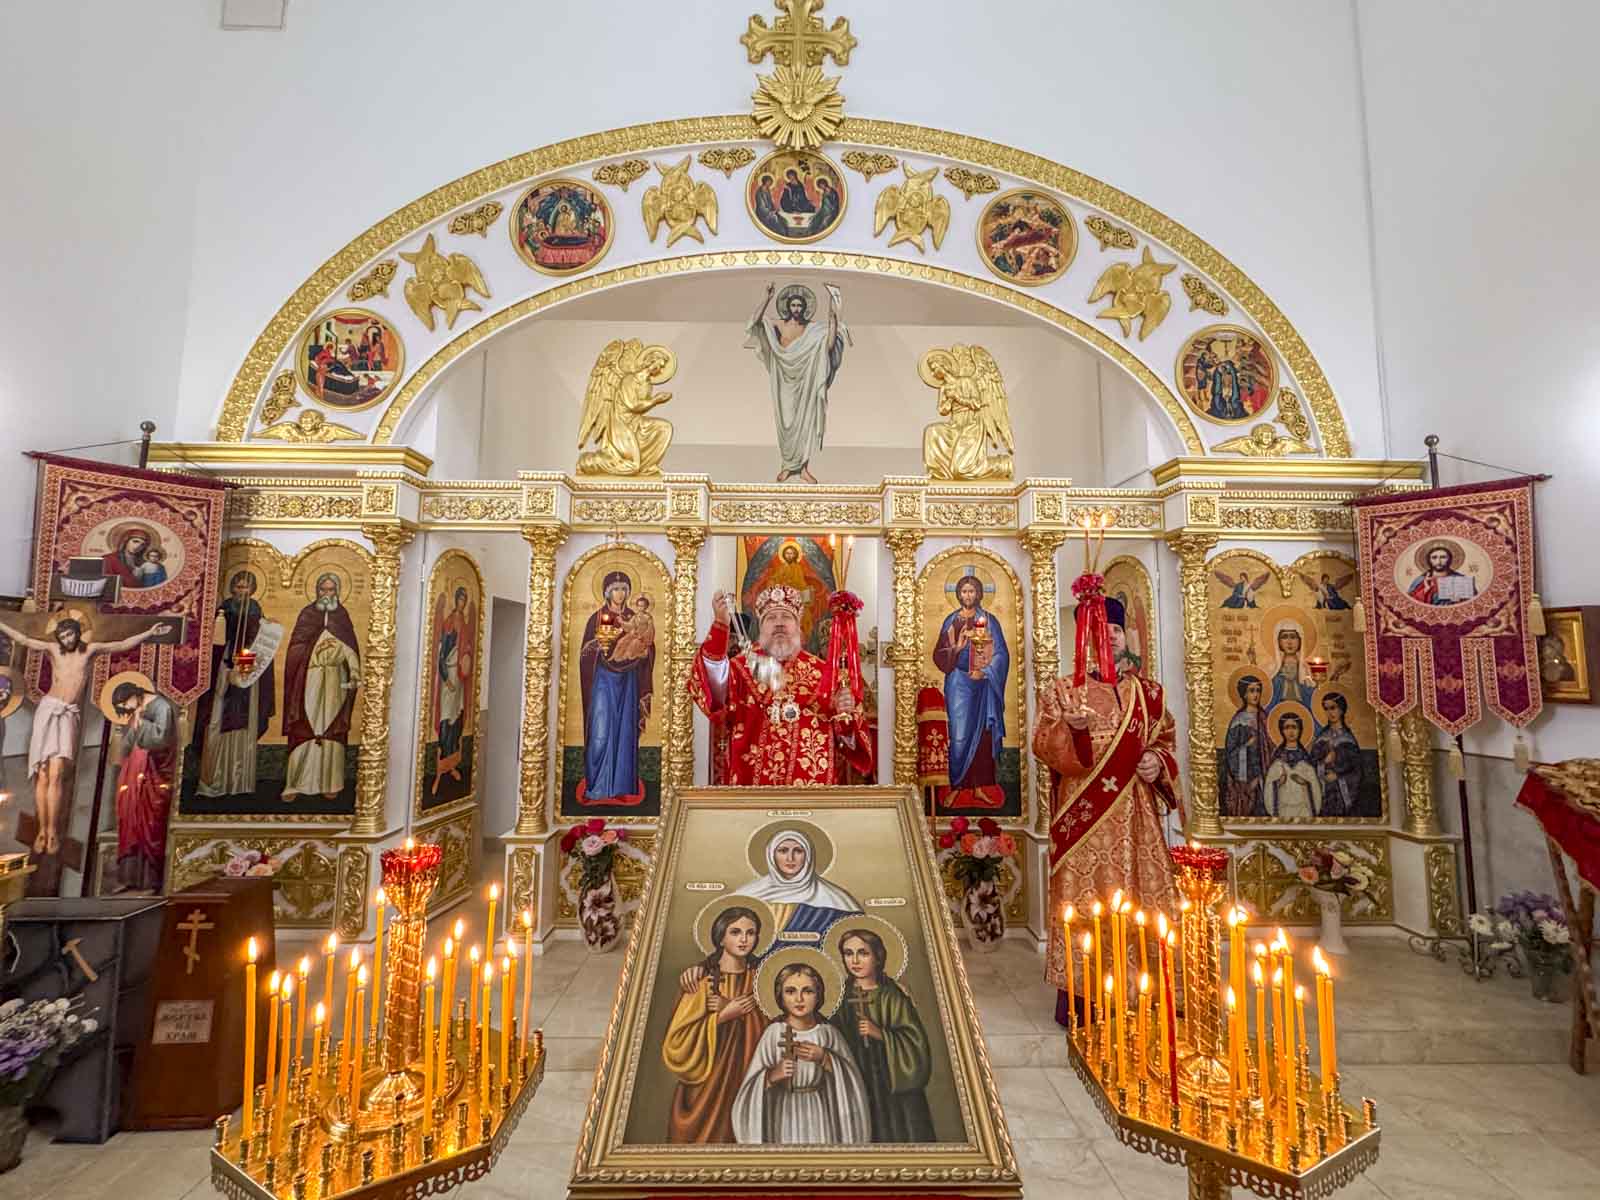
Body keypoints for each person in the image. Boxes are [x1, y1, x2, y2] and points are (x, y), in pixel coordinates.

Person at [1032, 587, 1180, 1028]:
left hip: (1137, 816)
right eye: (1100, 630)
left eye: (1116, 628)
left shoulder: (1148, 694)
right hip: (1085, 819)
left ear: (1125, 635)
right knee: (1084, 904)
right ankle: (1083, 998)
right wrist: (1070, 730)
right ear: (1086, 639)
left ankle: (1145, 991)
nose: (1110, 636)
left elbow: (1165, 740)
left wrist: (1158, 761)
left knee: (1142, 899)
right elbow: (1044, 746)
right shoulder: (1063, 691)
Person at [0, 612, 172, 853]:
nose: (67, 639)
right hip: (48, 710)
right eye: (62, 636)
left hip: (68, 713)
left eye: (70, 634)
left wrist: (149, 633)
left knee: (57, 773)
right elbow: (24, 639)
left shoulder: (89, 651)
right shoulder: (53, 649)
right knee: (43, 773)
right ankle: (42, 831)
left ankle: (52, 831)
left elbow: (121, 644)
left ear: (77, 633)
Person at [689, 584, 871, 786]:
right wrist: (721, 625)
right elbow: (713, 690)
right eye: (771, 618)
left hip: (813, 794)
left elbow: (850, 744)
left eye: (786, 617)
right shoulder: (740, 669)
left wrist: (846, 717)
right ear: (761, 627)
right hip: (752, 790)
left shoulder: (824, 674)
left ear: (798, 626)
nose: (779, 623)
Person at [731, 960, 870, 1145]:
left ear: (818, 994)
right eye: (790, 991)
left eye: (807, 991)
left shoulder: (828, 1033)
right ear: (780, 996)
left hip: (819, 1113)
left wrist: (825, 1058)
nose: (799, 999)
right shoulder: (773, 1034)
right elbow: (749, 1089)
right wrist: (773, 1075)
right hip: (782, 1113)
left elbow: (851, 1081)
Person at [663, 905, 767, 1143]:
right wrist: (722, 1017)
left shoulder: (762, 979)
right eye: (735, 932)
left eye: (750, 933)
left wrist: (739, 1010)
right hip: (707, 1079)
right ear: (720, 937)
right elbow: (676, 1042)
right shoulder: (702, 980)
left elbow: (775, 1025)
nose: (744, 939)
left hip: (748, 1075)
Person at [829, 928, 936, 1143]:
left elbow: (914, 1042)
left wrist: (880, 1034)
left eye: (863, 953)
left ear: (878, 957)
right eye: (848, 953)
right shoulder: (838, 996)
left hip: (889, 1079)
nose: (855, 960)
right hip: (854, 1075)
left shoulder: (893, 996)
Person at [745, 281, 847, 484]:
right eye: (793, 305)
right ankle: (787, 466)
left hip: (806, 380)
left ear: (805, 307)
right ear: (788, 306)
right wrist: (767, 298)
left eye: (800, 305)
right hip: (783, 380)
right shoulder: (778, 325)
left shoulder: (812, 329)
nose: (797, 309)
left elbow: (828, 344)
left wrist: (833, 313)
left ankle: (803, 469)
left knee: (805, 423)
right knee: (786, 424)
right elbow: (755, 323)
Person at [194, 569, 278, 799]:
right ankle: (212, 779)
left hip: (246, 668)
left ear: (253, 590)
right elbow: (215, 643)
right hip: (224, 666)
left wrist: (268, 629)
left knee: (244, 719)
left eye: (246, 587)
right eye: (239, 586)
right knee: (216, 716)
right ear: (232, 588)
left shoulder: (256, 611)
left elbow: (256, 644)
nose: (242, 591)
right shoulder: (223, 610)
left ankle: (239, 781)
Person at [281, 573, 362, 801]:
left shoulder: (341, 617)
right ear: (317, 591)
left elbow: (350, 650)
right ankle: (295, 783)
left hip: (335, 680)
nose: (327, 594)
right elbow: (295, 648)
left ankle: (331, 782)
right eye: (323, 590)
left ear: (337, 592)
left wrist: (355, 671)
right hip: (309, 679)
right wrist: (311, 652)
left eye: (331, 590)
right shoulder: (307, 615)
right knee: (306, 724)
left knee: (331, 725)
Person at [932, 574, 1009, 804]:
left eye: (971, 591)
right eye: (964, 591)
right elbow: (939, 655)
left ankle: (978, 788)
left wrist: (985, 672)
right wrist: (957, 648)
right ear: (958, 594)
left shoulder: (989, 620)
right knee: (959, 734)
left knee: (983, 734)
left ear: (978, 594)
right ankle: (956, 786)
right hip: (958, 683)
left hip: (982, 684)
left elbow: (1001, 654)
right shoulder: (951, 620)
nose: (968, 595)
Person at [580, 571, 654, 804]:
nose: (620, 594)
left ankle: (621, 786)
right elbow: (585, 654)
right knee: (601, 729)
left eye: (623, 589)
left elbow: (649, 645)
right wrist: (599, 644)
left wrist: (643, 650)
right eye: (615, 589)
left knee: (625, 730)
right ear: (607, 592)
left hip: (628, 679)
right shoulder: (596, 618)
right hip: (603, 680)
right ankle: (596, 786)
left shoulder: (635, 617)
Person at [733, 828, 861, 943]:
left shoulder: (838, 899)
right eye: (783, 851)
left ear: (808, 855)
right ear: (771, 855)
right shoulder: (747, 895)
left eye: (798, 851)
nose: (790, 858)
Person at [110, 681, 176, 892]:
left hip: (153, 775)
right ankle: (128, 878)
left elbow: (161, 739)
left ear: (134, 694)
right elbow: (128, 745)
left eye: (125, 704)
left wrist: (141, 722)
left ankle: (150, 882)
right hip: (133, 776)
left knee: (150, 825)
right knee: (130, 822)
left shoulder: (162, 707)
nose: (126, 709)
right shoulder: (138, 710)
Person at [431, 586, 473, 795]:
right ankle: (442, 761)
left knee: (457, 718)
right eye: (460, 600)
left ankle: (452, 762)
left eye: (464, 601)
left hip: (460, 678)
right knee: (446, 718)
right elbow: (441, 653)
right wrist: (446, 679)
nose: (462, 604)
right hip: (449, 676)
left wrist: (467, 656)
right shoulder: (448, 623)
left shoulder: (464, 623)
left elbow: (467, 649)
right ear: (456, 601)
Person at [1308, 692, 1362, 818]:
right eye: (1326, 709)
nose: (1329, 712)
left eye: (1333, 708)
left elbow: (1357, 770)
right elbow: (1311, 764)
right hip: (1323, 791)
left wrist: (1337, 776)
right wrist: (1323, 764)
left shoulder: (1348, 740)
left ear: (1341, 709)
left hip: (1341, 792)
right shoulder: (1321, 738)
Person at [1223, 674, 1270, 818]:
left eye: (1258, 690)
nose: (1256, 694)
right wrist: (1246, 745)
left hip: (1265, 776)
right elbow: (1231, 753)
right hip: (1246, 778)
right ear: (1244, 694)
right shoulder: (1238, 721)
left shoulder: (1265, 718)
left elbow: (1272, 747)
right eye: (1251, 690)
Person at [1265, 712, 1321, 819]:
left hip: (1303, 812)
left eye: (1294, 727)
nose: (1291, 731)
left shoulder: (1306, 761)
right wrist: (1278, 783)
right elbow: (1268, 787)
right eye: (1287, 727)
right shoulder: (1277, 760)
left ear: (1300, 730)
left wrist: (1305, 784)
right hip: (1283, 811)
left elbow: (1315, 789)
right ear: (1281, 730)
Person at [1268, 622, 1316, 712]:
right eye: (1284, 637)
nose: (1289, 642)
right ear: (1278, 642)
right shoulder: (1272, 668)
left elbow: (1313, 696)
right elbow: (1269, 695)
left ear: (1300, 641)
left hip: (1303, 710)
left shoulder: (1306, 669)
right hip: (1278, 710)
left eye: (1293, 637)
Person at [1407, 544, 1477, 605]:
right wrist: (1426, 590)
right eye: (1434, 557)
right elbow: (1410, 603)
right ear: (1429, 560)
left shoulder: (1461, 580)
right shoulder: (1420, 580)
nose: (1438, 561)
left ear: (1449, 559)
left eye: (1443, 557)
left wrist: (1460, 600)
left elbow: (1473, 602)